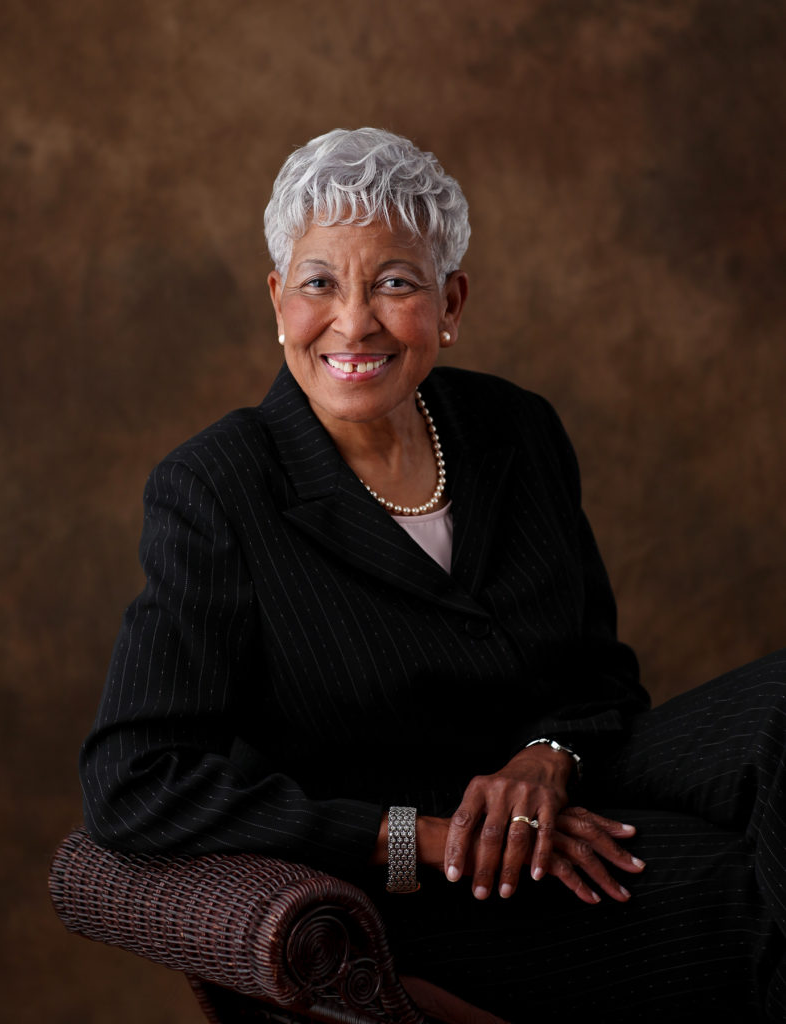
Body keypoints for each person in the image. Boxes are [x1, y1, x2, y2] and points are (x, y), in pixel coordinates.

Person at [80, 128, 786, 1021]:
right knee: (736, 887)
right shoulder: (217, 488)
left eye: (395, 283)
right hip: (424, 875)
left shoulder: (514, 428)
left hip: (568, 786)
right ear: (277, 299)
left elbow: (599, 677)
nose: (354, 322)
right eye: (319, 282)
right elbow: (134, 781)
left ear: (450, 301)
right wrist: (414, 836)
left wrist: (546, 758)